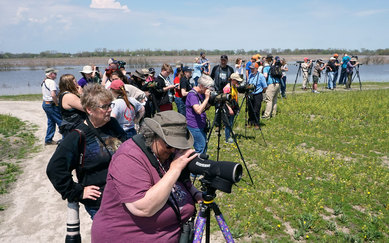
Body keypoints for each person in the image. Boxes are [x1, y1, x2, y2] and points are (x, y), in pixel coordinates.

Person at [91, 111, 202, 242]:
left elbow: (181, 183)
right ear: (152, 136)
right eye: (169, 145)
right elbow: (143, 208)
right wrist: (175, 168)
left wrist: (196, 194)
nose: (173, 150)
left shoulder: (167, 154)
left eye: (178, 145)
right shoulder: (129, 157)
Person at [46, 84, 127, 220]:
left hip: (124, 194)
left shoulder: (112, 124)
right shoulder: (78, 135)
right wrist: (77, 191)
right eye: (104, 106)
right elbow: (55, 169)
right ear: (89, 109)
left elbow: (126, 147)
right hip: (101, 203)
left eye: (110, 105)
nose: (109, 110)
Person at [186, 75, 214, 154]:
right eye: (207, 88)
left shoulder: (200, 93)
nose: (207, 90)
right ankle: (199, 164)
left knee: (204, 146)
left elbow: (203, 107)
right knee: (201, 148)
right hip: (194, 126)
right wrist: (207, 98)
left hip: (201, 124)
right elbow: (198, 110)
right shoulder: (192, 95)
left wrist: (212, 100)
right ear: (201, 86)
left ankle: (203, 162)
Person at [41, 67, 62, 145]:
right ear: (50, 74)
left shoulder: (45, 81)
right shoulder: (51, 82)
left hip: (45, 104)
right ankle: (65, 139)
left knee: (51, 122)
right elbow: (53, 95)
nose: (56, 74)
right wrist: (57, 104)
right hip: (51, 104)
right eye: (54, 73)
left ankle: (48, 140)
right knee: (60, 121)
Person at [223, 73, 243, 143]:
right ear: (233, 80)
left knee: (231, 122)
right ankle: (227, 138)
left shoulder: (235, 86)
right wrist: (230, 109)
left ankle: (229, 135)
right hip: (228, 107)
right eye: (237, 80)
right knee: (228, 123)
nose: (238, 82)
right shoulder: (227, 88)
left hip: (233, 106)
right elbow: (225, 100)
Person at [247, 63, 267, 128]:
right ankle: (250, 122)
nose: (251, 70)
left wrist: (261, 92)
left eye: (253, 69)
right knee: (250, 109)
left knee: (256, 109)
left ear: (257, 69)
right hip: (250, 94)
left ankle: (256, 123)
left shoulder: (261, 76)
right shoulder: (250, 75)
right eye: (251, 69)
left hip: (258, 94)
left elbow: (265, 87)